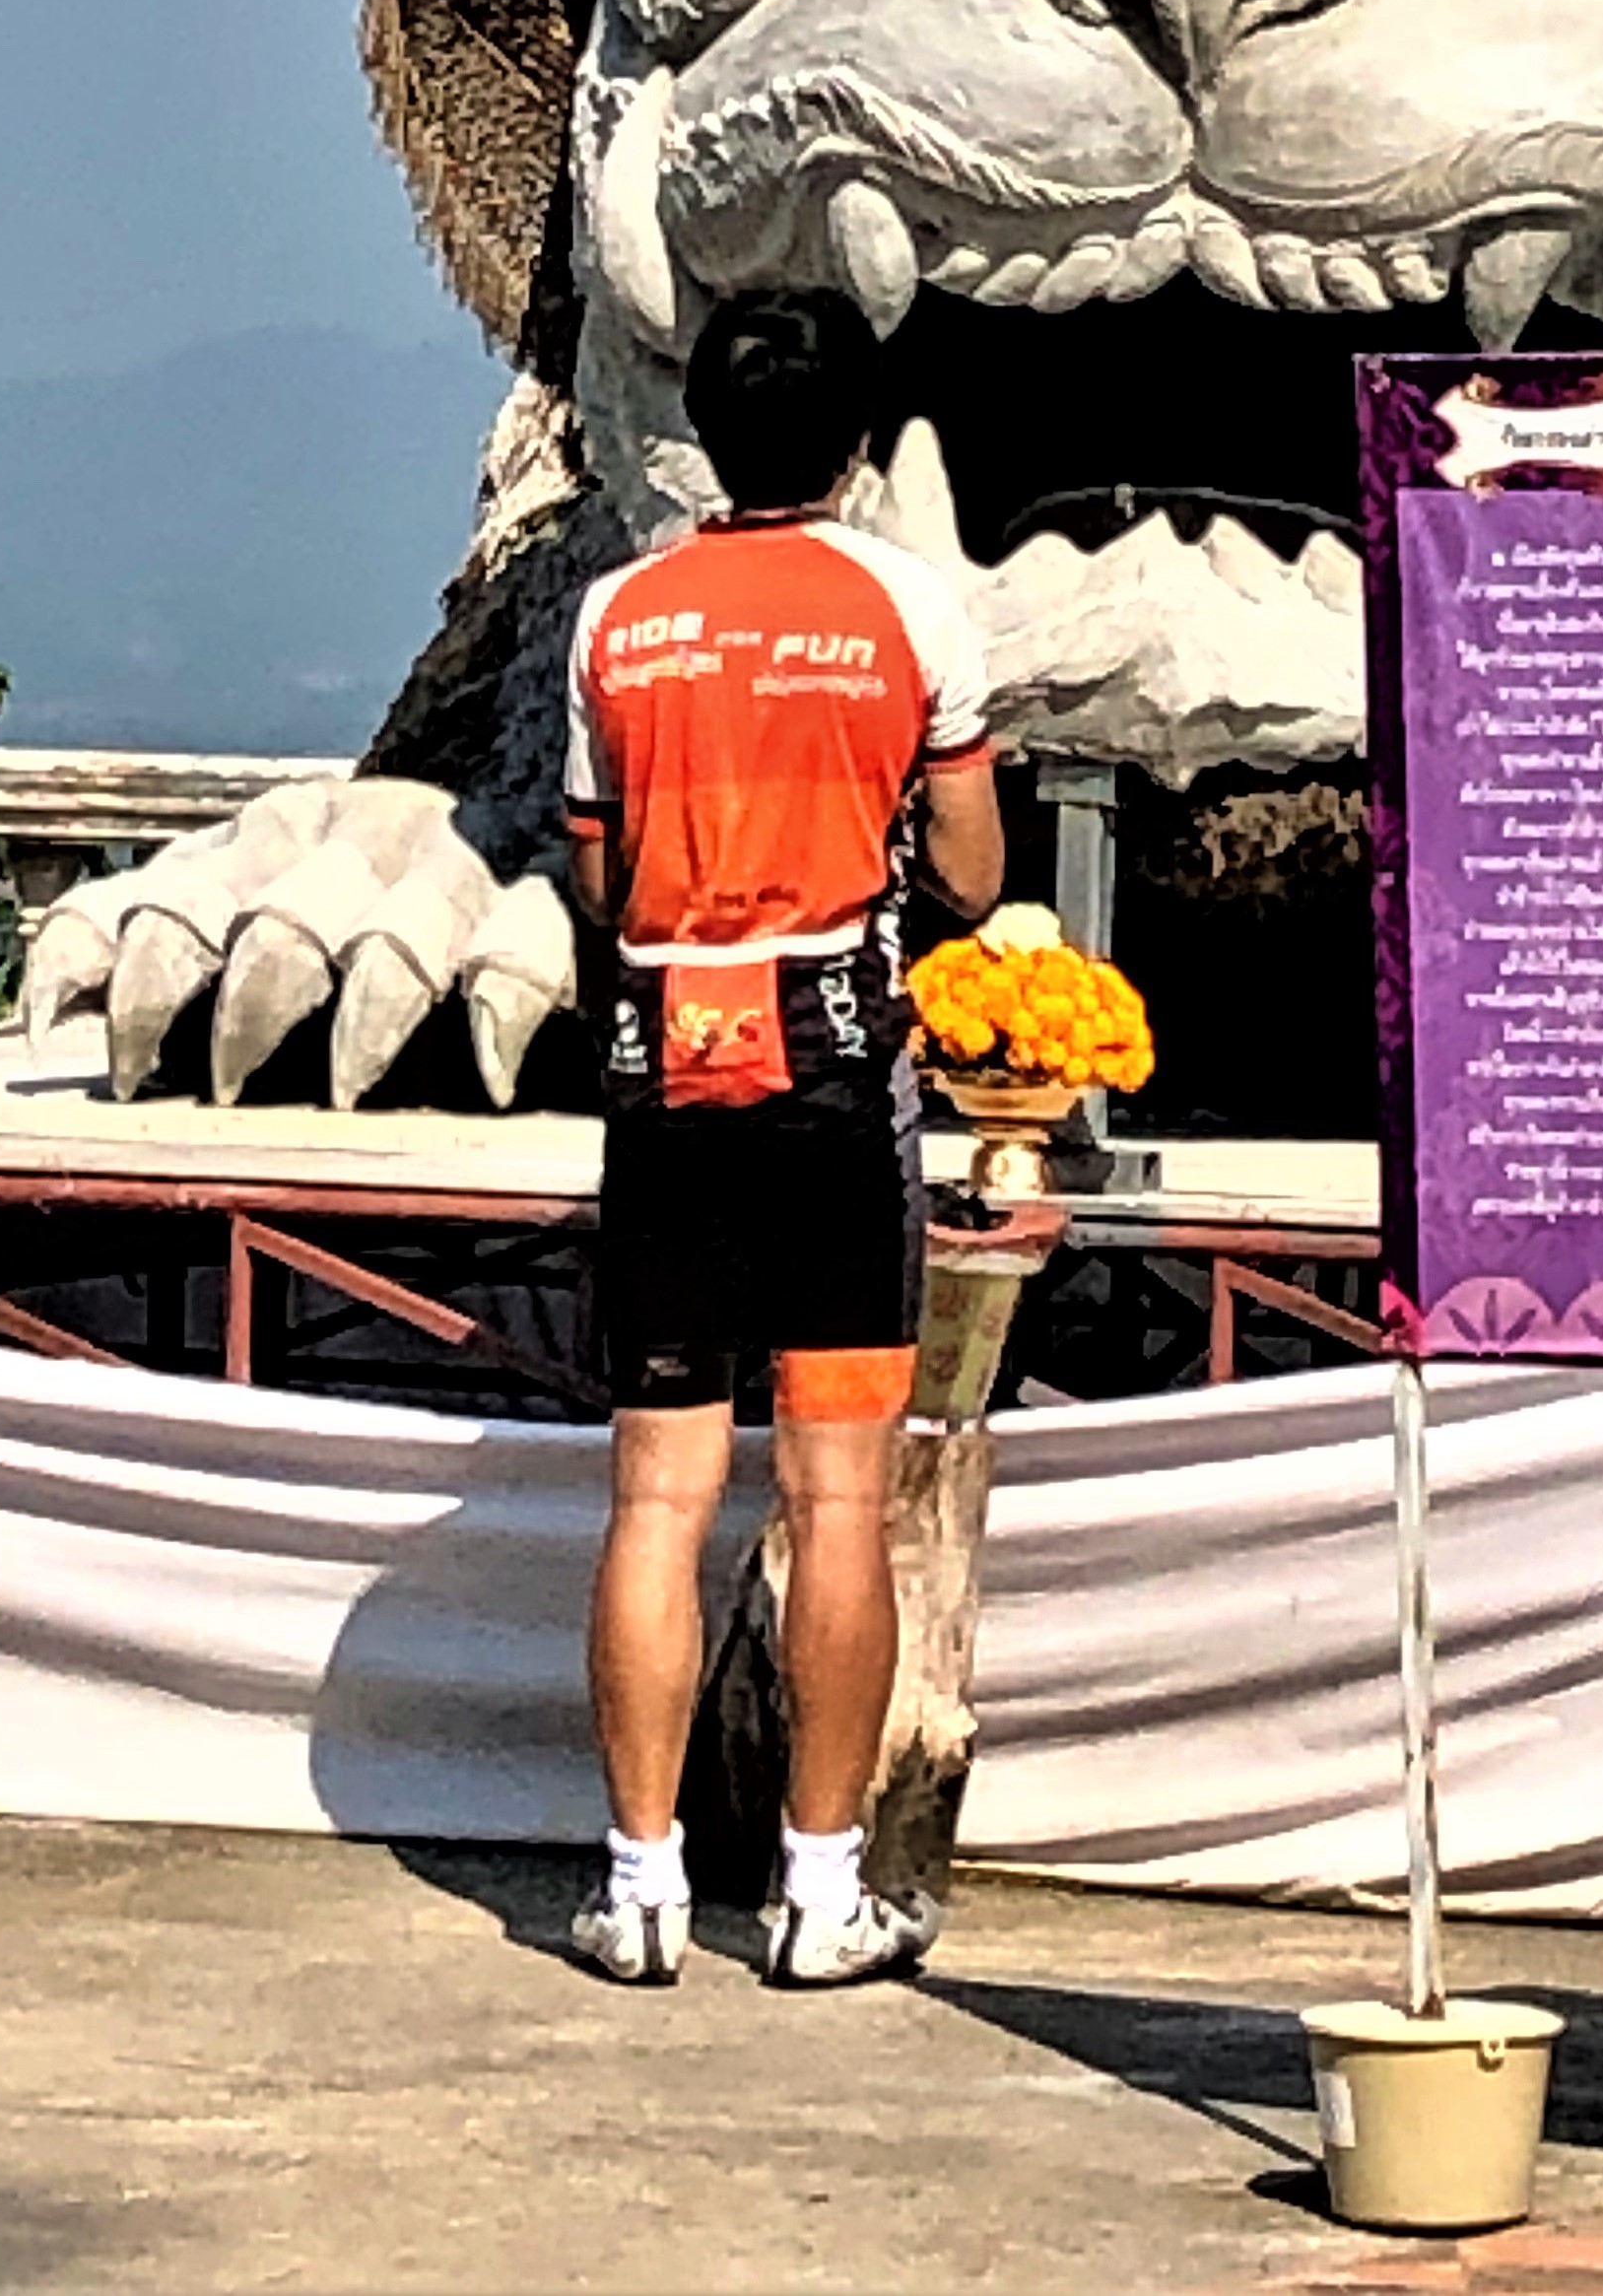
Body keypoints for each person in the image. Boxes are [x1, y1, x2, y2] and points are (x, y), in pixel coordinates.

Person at [558, 287, 1004, 1990]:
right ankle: (820, 1896)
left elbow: (596, 875)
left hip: (664, 1066)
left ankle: (640, 1881)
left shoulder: (623, 612)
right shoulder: (910, 608)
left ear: (708, 429)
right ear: (857, 442)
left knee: (657, 1493)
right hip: (832, 1084)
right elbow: (968, 864)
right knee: (838, 1500)